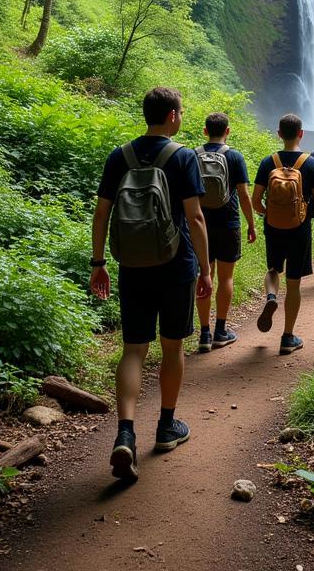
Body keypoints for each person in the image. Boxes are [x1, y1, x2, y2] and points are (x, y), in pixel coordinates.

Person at [89, 87, 211, 484]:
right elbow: (195, 218)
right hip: (176, 263)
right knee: (173, 346)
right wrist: (206, 270)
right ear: (173, 116)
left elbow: (102, 212)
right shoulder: (183, 156)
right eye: (181, 111)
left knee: (133, 349)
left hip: (132, 264)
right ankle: (165, 427)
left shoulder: (118, 156)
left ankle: (125, 432)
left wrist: (99, 263)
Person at [251, 113, 314, 355]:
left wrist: (267, 215)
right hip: (300, 228)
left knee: (273, 270)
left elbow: (255, 201)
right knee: (294, 284)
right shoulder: (311, 163)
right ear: (301, 133)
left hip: (274, 227)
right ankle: (287, 337)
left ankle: (271, 295)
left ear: (279, 134)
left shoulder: (268, 162)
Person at [195, 112, 256, 352]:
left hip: (201, 225)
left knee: (203, 275)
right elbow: (243, 194)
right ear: (227, 131)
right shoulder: (234, 156)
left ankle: (203, 333)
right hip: (229, 223)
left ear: (205, 131)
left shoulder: (192, 155)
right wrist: (251, 223)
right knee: (226, 278)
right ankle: (221, 330)